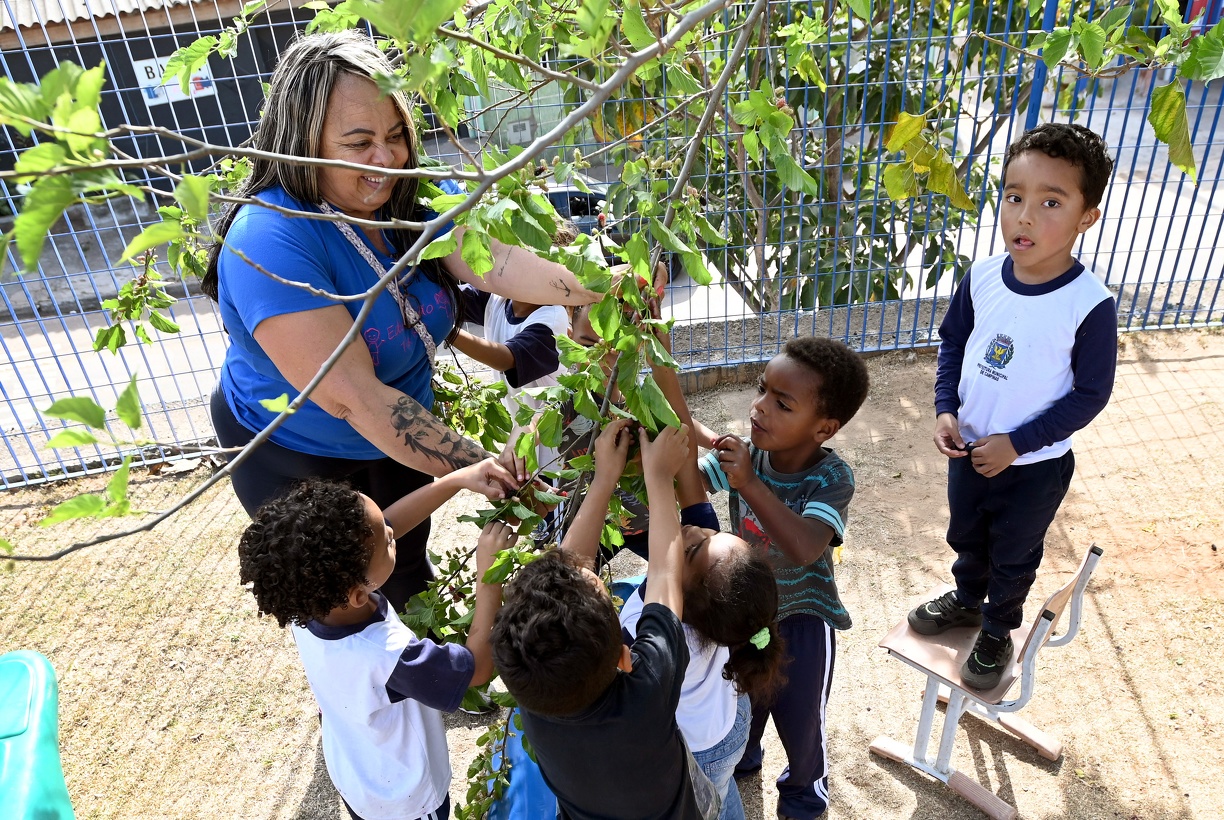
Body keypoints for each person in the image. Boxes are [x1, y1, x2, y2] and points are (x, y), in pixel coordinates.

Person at [203, 29, 601, 612]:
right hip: (296, 449)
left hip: (397, 429)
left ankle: (423, 650)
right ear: (302, 142)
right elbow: (357, 398)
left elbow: (497, 262)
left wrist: (597, 284)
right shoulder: (268, 238)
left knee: (404, 563)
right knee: (343, 598)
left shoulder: (412, 194)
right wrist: (483, 467)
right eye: (360, 142)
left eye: (395, 136)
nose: (387, 160)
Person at [908, 123, 1117, 691]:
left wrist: (1017, 444)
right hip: (970, 448)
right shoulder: (981, 276)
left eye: (1051, 202)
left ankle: (998, 629)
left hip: (1034, 467)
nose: (1024, 216)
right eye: (1013, 196)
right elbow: (954, 343)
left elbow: (1091, 394)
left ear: (1087, 217)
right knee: (967, 535)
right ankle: (967, 600)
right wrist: (946, 409)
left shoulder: (1089, 305)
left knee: (1014, 552)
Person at [237, 461, 516, 820]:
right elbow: (476, 669)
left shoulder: (309, 604)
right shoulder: (388, 655)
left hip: (359, 777)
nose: (391, 531)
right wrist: (489, 577)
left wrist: (455, 481)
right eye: (387, 540)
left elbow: (382, 528)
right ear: (357, 593)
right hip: (406, 802)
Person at [490, 424, 712, 820]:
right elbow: (664, 576)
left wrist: (604, 478)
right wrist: (660, 477)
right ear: (626, 658)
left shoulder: (534, 691)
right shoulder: (646, 692)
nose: (585, 567)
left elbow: (568, 566)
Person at [699, 336, 870, 820]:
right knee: (742, 699)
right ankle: (743, 757)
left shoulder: (831, 478)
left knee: (801, 725)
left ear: (824, 428)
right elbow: (688, 483)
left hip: (803, 622)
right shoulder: (746, 454)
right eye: (762, 389)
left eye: (782, 403)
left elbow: (805, 546)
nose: (760, 407)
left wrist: (750, 483)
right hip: (747, 613)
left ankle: (803, 799)